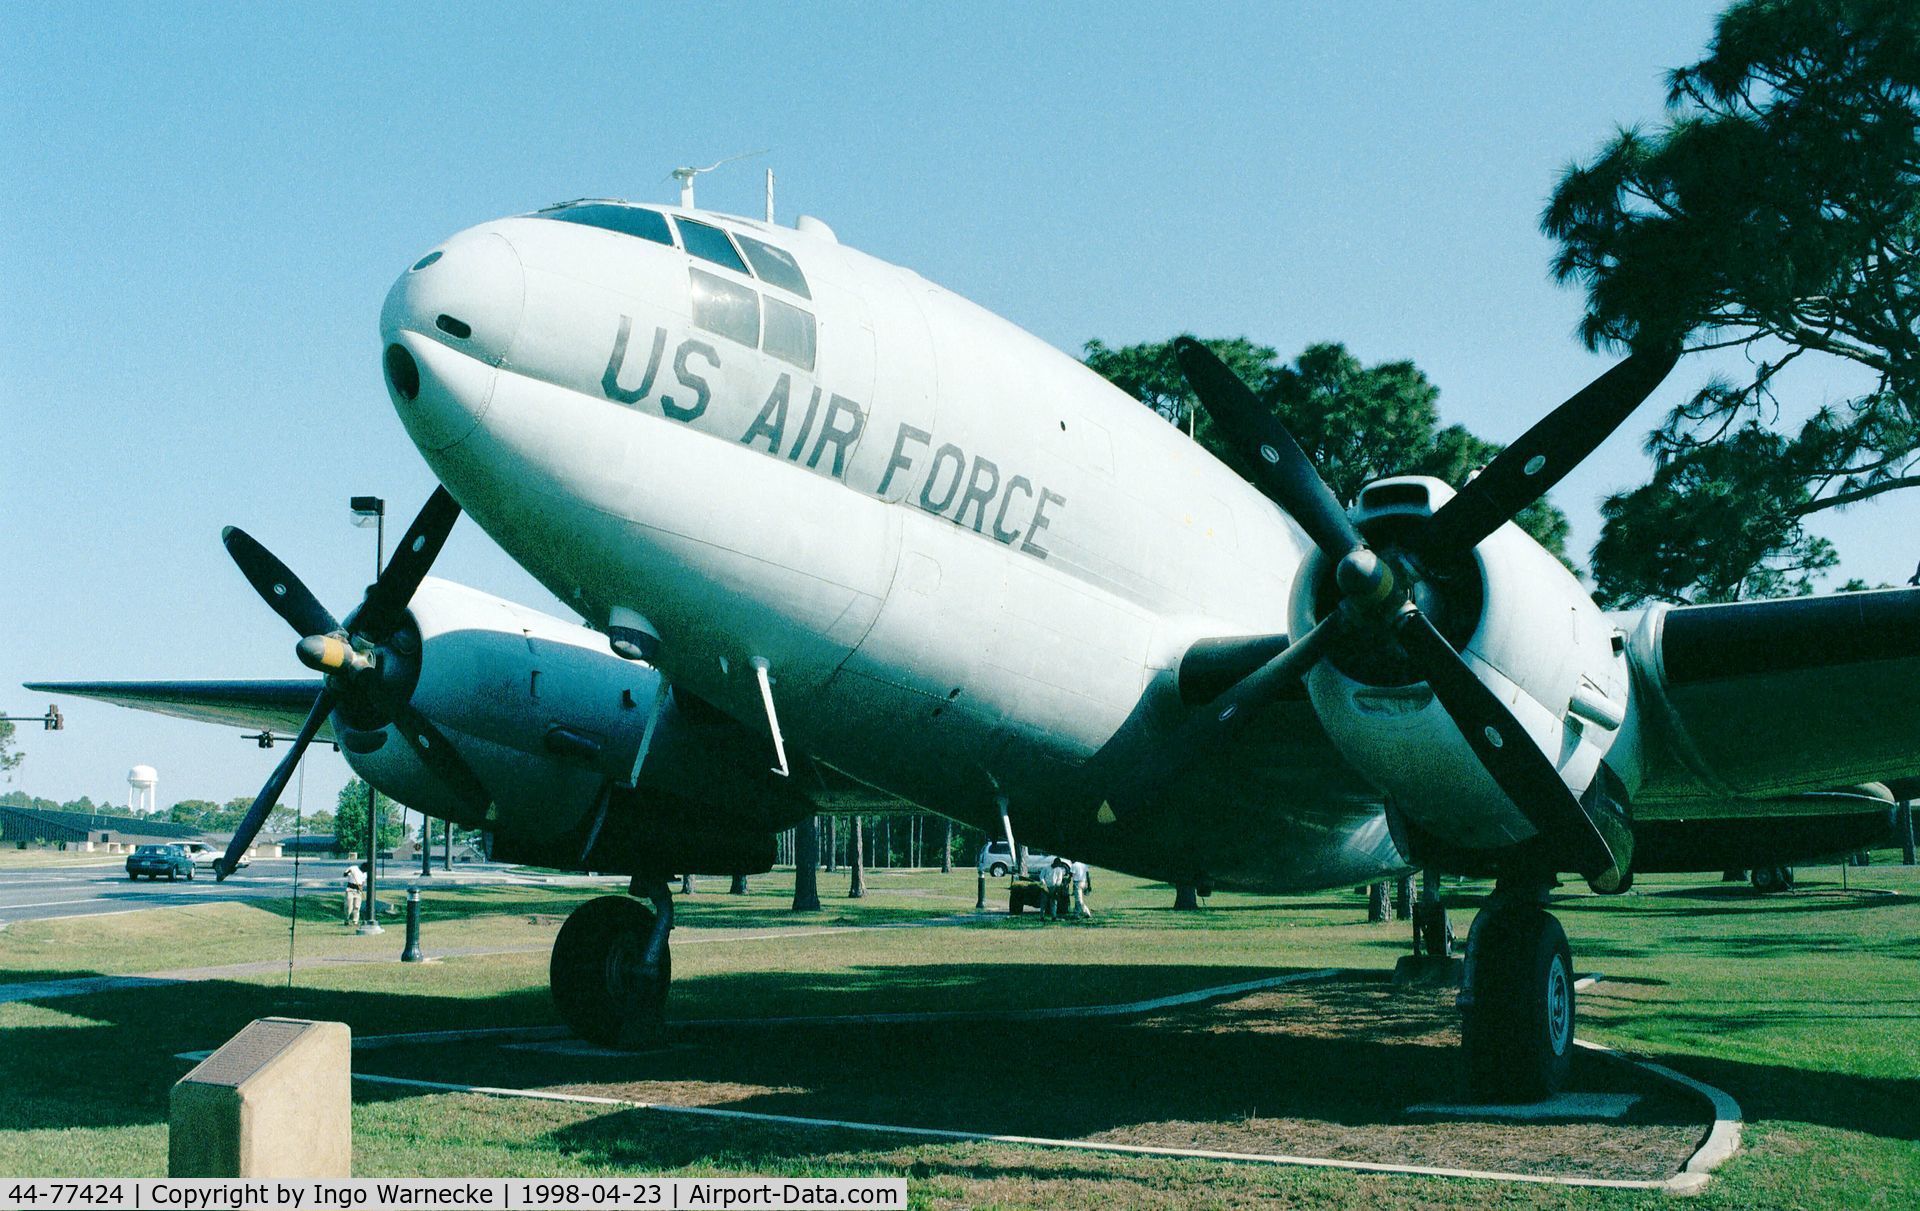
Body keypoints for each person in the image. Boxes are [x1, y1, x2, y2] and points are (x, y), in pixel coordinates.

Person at [343, 861, 366, 925]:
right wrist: (348, 872)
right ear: (362, 867)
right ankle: (346, 920)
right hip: (350, 890)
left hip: (358, 891)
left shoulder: (365, 873)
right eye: (364, 870)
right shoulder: (353, 868)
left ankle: (355, 921)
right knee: (349, 906)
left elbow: (363, 882)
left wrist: (361, 888)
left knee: (357, 907)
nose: (364, 871)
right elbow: (345, 874)